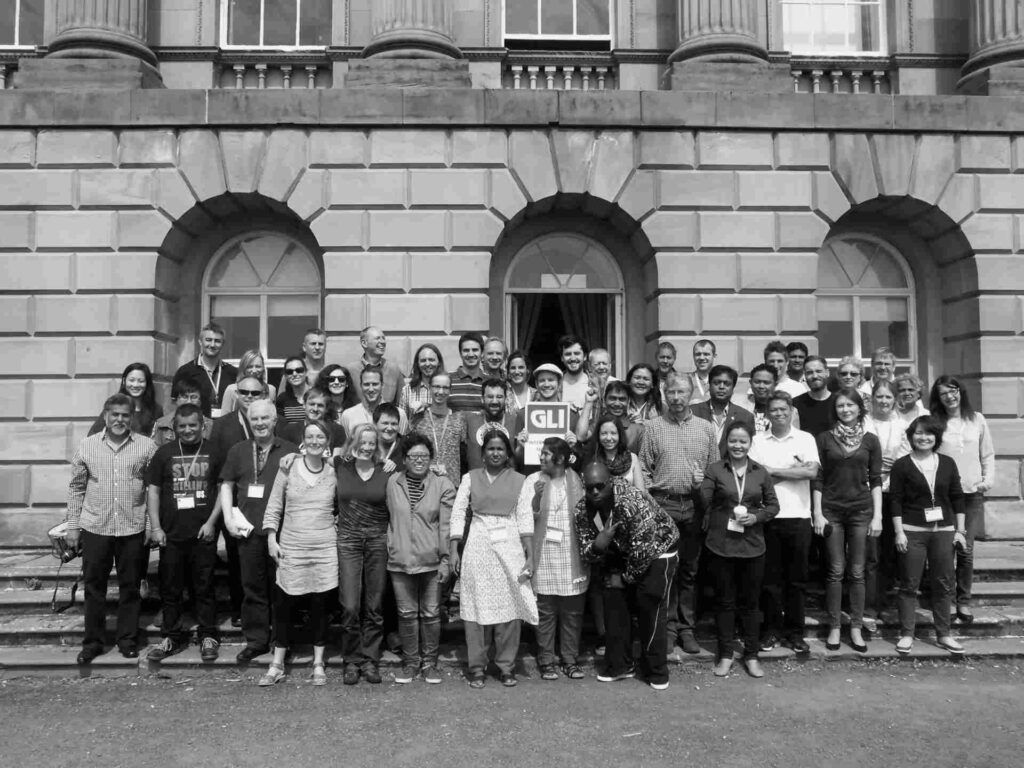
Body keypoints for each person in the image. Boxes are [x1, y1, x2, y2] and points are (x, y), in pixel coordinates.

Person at [65, 394, 157, 664]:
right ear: (105, 415)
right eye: (114, 414)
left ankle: (127, 640)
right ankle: (93, 642)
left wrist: (151, 525)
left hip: (133, 528)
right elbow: (76, 488)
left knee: (130, 588)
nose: (119, 420)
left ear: (132, 417)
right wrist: (73, 527)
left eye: (125, 415)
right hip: (95, 528)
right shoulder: (87, 446)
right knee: (95, 588)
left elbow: (153, 490)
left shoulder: (147, 447)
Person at [575, 462, 679, 690]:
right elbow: (586, 552)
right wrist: (598, 545)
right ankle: (620, 665)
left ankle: (657, 671)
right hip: (622, 551)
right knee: (613, 600)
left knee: (649, 603)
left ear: (610, 483)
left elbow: (644, 549)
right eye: (590, 487)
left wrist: (624, 579)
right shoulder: (582, 509)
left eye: (599, 486)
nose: (594, 492)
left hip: (658, 550)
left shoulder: (631, 500)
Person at [448, 429, 537, 689]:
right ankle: (477, 667)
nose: (495, 453)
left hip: (509, 546)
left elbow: (525, 518)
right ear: (483, 453)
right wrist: (454, 548)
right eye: (491, 449)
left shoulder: (521, 480)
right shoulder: (469, 478)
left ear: (508, 453)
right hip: (477, 547)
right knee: (477, 607)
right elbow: (457, 514)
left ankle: (506, 666)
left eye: (500, 449)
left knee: (509, 608)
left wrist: (530, 556)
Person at [639, 373, 718, 656]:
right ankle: (668, 628)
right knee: (666, 571)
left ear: (690, 395)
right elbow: (644, 470)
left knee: (690, 571)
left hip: (695, 507)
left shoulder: (707, 429)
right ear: (664, 393)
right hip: (665, 506)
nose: (676, 397)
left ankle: (687, 629)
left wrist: (703, 487)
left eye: (682, 392)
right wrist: (652, 504)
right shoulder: (653, 428)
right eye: (671, 392)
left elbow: (714, 472)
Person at [258, 419, 339, 686]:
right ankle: (277, 663)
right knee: (285, 606)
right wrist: (271, 537)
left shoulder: (334, 471)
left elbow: (344, 504)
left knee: (320, 607)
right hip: (292, 546)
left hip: (324, 548)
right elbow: (274, 505)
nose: (315, 441)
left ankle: (318, 662)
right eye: (310, 436)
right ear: (304, 440)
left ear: (328, 442)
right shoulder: (289, 467)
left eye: (320, 437)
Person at [219, 399, 299, 663]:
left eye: (265, 418)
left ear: (275, 421)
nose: (260, 423)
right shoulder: (238, 450)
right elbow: (227, 485)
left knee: (281, 590)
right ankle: (256, 641)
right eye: (255, 419)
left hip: (281, 533)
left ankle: (282, 642)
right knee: (252, 588)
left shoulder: (289, 451)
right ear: (248, 421)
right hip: (248, 532)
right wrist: (228, 518)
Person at [700, 422, 779, 678]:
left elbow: (773, 506)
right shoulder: (715, 469)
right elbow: (705, 500)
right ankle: (725, 654)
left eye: (743, 441)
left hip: (752, 546)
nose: (737, 445)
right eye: (733, 440)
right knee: (724, 602)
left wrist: (756, 517)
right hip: (721, 545)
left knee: (751, 604)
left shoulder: (760, 472)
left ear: (750, 443)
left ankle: (752, 655)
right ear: (727, 442)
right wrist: (698, 484)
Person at [145, 403, 220, 663]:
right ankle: (171, 636)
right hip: (171, 533)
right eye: (182, 426)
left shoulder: (213, 451)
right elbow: (153, 491)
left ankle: (208, 634)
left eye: (193, 425)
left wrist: (212, 522)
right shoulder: (164, 453)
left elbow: (223, 490)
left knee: (205, 587)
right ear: (174, 427)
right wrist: (155, 527)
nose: (188, 430)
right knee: (171, 588)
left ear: (203, 426)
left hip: (203, 533)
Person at [889, 416, 968, 655]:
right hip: (912, 531)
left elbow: (957, 496)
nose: (923, 438)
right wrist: (899, 532)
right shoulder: (902, 464)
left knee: (944, 584)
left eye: (929, 433)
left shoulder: (947, 462)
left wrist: (960, 531)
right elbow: (895, 500)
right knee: (909, 584)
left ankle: (944, 634)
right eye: (918, 433)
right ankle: (906, 634)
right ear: (911, 436)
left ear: (937, 437)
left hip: (943, 531)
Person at [812, 388, 883, 653]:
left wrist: (878, 516)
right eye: (840, 406)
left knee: (857, 571)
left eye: (850, 405)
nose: (845, 410)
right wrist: (817, 513)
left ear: (859, 408)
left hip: (861, 511)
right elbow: (817, 478)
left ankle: (855, 627)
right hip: (831, 510)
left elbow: (875, 479)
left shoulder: (870, 440)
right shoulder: (825, 438)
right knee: (835, 570)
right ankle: (834, 626)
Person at [749, 392, 818, 655]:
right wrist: (791, 471)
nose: (778, 414)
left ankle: (795, 633)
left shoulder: (805, 439)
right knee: (769, 580)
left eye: (783, 409)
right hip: (768, 517)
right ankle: (771, 631)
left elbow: (811, 472)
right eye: (773, 410)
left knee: (797, 580)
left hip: (799, 516)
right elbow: (756, 477)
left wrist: (773, 470)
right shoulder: (757, 441)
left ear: (791, 411)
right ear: (766, 414)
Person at [386, 433, 456, 684]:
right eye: (413, 456)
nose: (419, 460)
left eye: (424, 456)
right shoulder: (392, 482)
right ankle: (410, 663)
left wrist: (446, 560)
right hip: (400, 559)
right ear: (404, 459)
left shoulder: (443, 484)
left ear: (431, 458)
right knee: (405, 614)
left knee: (431, 613)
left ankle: (429, 663)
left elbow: (446, 526)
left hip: (431, 560)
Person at [519, 437, 589, 681]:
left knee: (572, 611)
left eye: (546, 454)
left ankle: (570, 660)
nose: (541, 458)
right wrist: (536, 499)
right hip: (544, 553)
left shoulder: (576, 479)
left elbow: (586, 513)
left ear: (559, 459)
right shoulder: (533, 480)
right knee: (546, 610)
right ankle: (546, 660)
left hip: (572, 554)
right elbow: (525, 517)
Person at [929, 375, 996, 624]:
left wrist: (986, 480)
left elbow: (987, 453)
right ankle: (942, 600)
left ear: (960, 391)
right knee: (943, 551)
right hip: (942, 495)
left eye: (953, 390)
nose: (949, 396)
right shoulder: (935, 421)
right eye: (943, 392)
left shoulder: (977, 419)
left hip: (971, 493)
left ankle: (964, 601)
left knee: (965, 550)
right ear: (938, 397)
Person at [209, 375, 269, 625]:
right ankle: (239, 609)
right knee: (236, 559)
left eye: (255, 393)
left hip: (264, 503)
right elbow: (216, 466)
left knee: (264, 560)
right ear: (235, 393)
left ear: (263, 395)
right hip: (232, 502)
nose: (249, 397)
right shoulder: (222, 424)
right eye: (244, 392)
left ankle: (266, 610)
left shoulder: (272, 421)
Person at [336, 423, 392, 685]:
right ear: (353, 442)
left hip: (378, 539)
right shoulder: (339, 465)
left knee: (374, 604)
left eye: (372, 442)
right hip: (347, 539)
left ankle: (370, 660)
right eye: (362, 441)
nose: (367, 446)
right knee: (349, 604)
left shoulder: (386, 469)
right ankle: (351, 660)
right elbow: (309, 458)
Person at [863, 379, 910, 626]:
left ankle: (887, 603)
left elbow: (905, 456)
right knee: (871, 553)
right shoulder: (863, 423)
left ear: (895, 400)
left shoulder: (903, 425)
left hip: (894, 491)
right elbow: (864, 455)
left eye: (888, 397)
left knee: (891, 553)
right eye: (879, 397)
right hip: (868, 492)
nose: (883, 401)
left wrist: (889, 464)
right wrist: (878, 465)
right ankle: (869, 606)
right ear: (872, 399)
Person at [409, 372, 467, 488]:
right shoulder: (418, 418)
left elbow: (464, 453)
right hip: (422, 484)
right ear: (429, 388)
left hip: (450, 486)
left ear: (450, 390)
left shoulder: (459, 418)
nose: (440, 392)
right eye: (437, 387)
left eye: (445, 388)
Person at [174, 323, 238, 418]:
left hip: (225, 427)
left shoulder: (233, 373)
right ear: (200, 342)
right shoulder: (185, 371)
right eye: (208, 340)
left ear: (223, 344)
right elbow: (175, 403)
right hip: (197, 427)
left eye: (217, 341)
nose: (212, 345)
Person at [691, 364, 756, 458]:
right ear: (709, 385)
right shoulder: (693, 412)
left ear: (733, 388)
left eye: (727, 384)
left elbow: (749, 452)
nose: (721, 387)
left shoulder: (745, 417)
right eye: (717, 383)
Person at [88, 362, 163, 437]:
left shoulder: (156, 410)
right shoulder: (113, 406)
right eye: (132, 380)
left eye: (141, 381)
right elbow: (92, 436)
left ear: (147, 383)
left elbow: (160, 438)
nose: (135, 385)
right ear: (124, 381)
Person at [464, 378, 518, 471]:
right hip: (477, 482)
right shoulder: (469, 420)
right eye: (490, 397)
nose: (494, 401)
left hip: (508, 482)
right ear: (482, 399)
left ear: (506, 399)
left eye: (499, 397)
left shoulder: (516, 421)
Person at [576, 380, 644, 452]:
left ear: (628, 401)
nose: (617, 404)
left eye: (622, 399)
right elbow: (581, 437)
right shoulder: (597, 424)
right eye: (612, 398)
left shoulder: (638, 430)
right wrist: (589, 402)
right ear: (605, 400)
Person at [345, 325, 405, 405]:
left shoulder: (394, 370)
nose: (383, 342)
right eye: (377, 338)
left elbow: (401, 403)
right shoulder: (350, 370)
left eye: (383, 338)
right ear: (364, 343)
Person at [584, 414, 645, 490]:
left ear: (620, 435)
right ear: (598, 436)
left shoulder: (632, 458)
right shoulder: (592, 459)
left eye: (613, 433)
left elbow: (641, 492)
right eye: (604, 433)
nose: (609, 438)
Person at [341, 368, 409, 437]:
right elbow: (347, 445)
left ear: (382, 385)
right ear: (361, 386)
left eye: (375, 384)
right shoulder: (348, 415)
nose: (371, 389)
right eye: (366, 384)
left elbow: (401, 444)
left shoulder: (400, 414)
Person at [277, 387, 345, 450]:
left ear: (326, 409)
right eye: (312, 404)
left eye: (320, 406)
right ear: (304, 405)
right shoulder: (289, 430)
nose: (315, 409)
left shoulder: (337, 430)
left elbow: (338, 459)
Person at [152, 374, 210, 447]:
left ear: (200, 401)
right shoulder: (161, 424)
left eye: (194, 397)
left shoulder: (211, 426)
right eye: (184, 397)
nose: (189, 401)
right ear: (176, 400)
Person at [221, 349, 277, 414]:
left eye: (258, 366)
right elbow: (224, 418)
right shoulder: (232, 390)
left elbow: (272, 416)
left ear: (263, 368)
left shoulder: (271, 390)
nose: (254, 370)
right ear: (243, 368)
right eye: (250, 367)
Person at [793, 355, 835, 438]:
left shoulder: (839, 403)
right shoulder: (795, 404)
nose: (815, 376)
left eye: (819, 371)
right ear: (804, 375)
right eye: (809, 372)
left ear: (827, 372)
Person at [399, 343, 445, 419]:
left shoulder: (447, 389)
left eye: (431, 360)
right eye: (423, 360)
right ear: (418, 364)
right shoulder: (407, 391)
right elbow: (402, 422)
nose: (427, 364)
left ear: (439, 362)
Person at [448, 331, 487, 413]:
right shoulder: (448, 379)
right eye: (466, 350)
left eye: (475, 350)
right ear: (460, 353)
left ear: (482, 353)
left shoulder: (490, 381)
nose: (471, 354)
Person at [558, 334, 590, 409]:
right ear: (562, 358)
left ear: (585, 356)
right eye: (568, 354)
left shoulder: (598, 383)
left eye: (577, 353)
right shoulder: (555, 384)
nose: (573, 358)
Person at [275, 355, 309, 423]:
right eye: (289, 372)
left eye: (299, 370)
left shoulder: (317, 395)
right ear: (285, 376)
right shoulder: (282, 399)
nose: (294, 374)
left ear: (306, 372)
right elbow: (280, 426)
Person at [687, 339, 717, 404]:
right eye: (698, 354)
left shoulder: (721, 381)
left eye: (706, 354)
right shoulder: (686, 381)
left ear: (714, 356)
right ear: (693, 356)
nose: (702, 358)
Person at [505, 350, 534, 414]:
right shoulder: (503, 395)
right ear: (508, 372)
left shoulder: (537, 395)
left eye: (521, 367)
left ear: (527, 370)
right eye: (513, 368)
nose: (517, 372)